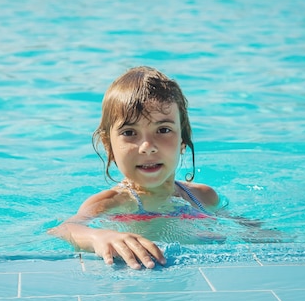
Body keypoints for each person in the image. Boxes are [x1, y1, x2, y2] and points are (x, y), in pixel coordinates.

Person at [49, 66, 220, 270]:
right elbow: (64, 229)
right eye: (130, 132)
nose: (147, 147)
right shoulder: (111, 203)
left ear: (183, 140)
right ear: (108, 145)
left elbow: (250, 231)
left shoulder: (203, 197)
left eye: (163, 130)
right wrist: (99, 236)